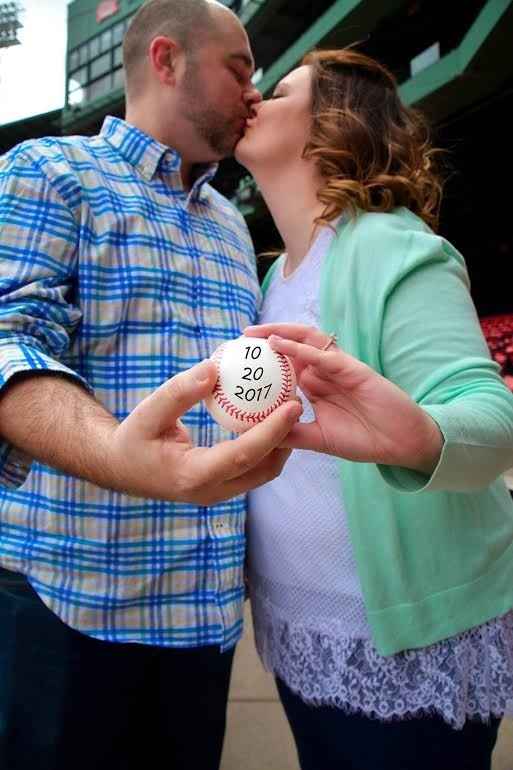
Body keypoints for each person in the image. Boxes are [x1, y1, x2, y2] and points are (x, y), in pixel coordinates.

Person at [0, 2, 302, 768]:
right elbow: (8, 341)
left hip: (203, 623)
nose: (254, 92)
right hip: (68, 607)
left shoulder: (231, 227)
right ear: (166, 59)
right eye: (240, 67)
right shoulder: (47, 171)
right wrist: (116, 452)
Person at [235, 49, 513, 770]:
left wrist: (418, 436)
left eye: (283, 88)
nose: (256, 94)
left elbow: (490, 419)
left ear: (333, 121)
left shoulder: (393, 244)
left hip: (396, 643)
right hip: (300, 636)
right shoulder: (276, 272)